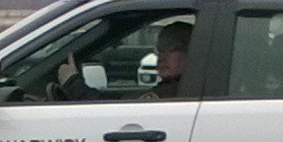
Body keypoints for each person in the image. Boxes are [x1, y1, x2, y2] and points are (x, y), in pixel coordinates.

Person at [56, 19, 193, 101]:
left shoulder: (179, 93)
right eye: (159, 50)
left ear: (192, 52)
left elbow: (111, 114)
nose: (161, 57)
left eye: (171, 49)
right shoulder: (178, 88)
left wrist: (73, 83)